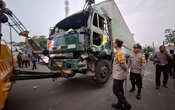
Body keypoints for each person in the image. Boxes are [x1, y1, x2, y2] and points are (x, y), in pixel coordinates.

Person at [112, 39, 131, 110]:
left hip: (119, 75)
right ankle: (119, 104)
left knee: (116, 90)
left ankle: (126, 104)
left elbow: (123, 64)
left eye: (114, 43)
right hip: (118, 74)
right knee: (120, 90)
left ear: (117, 44)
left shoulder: (120, 53)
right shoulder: (118, 52)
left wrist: (127, 70)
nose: (113, 44)